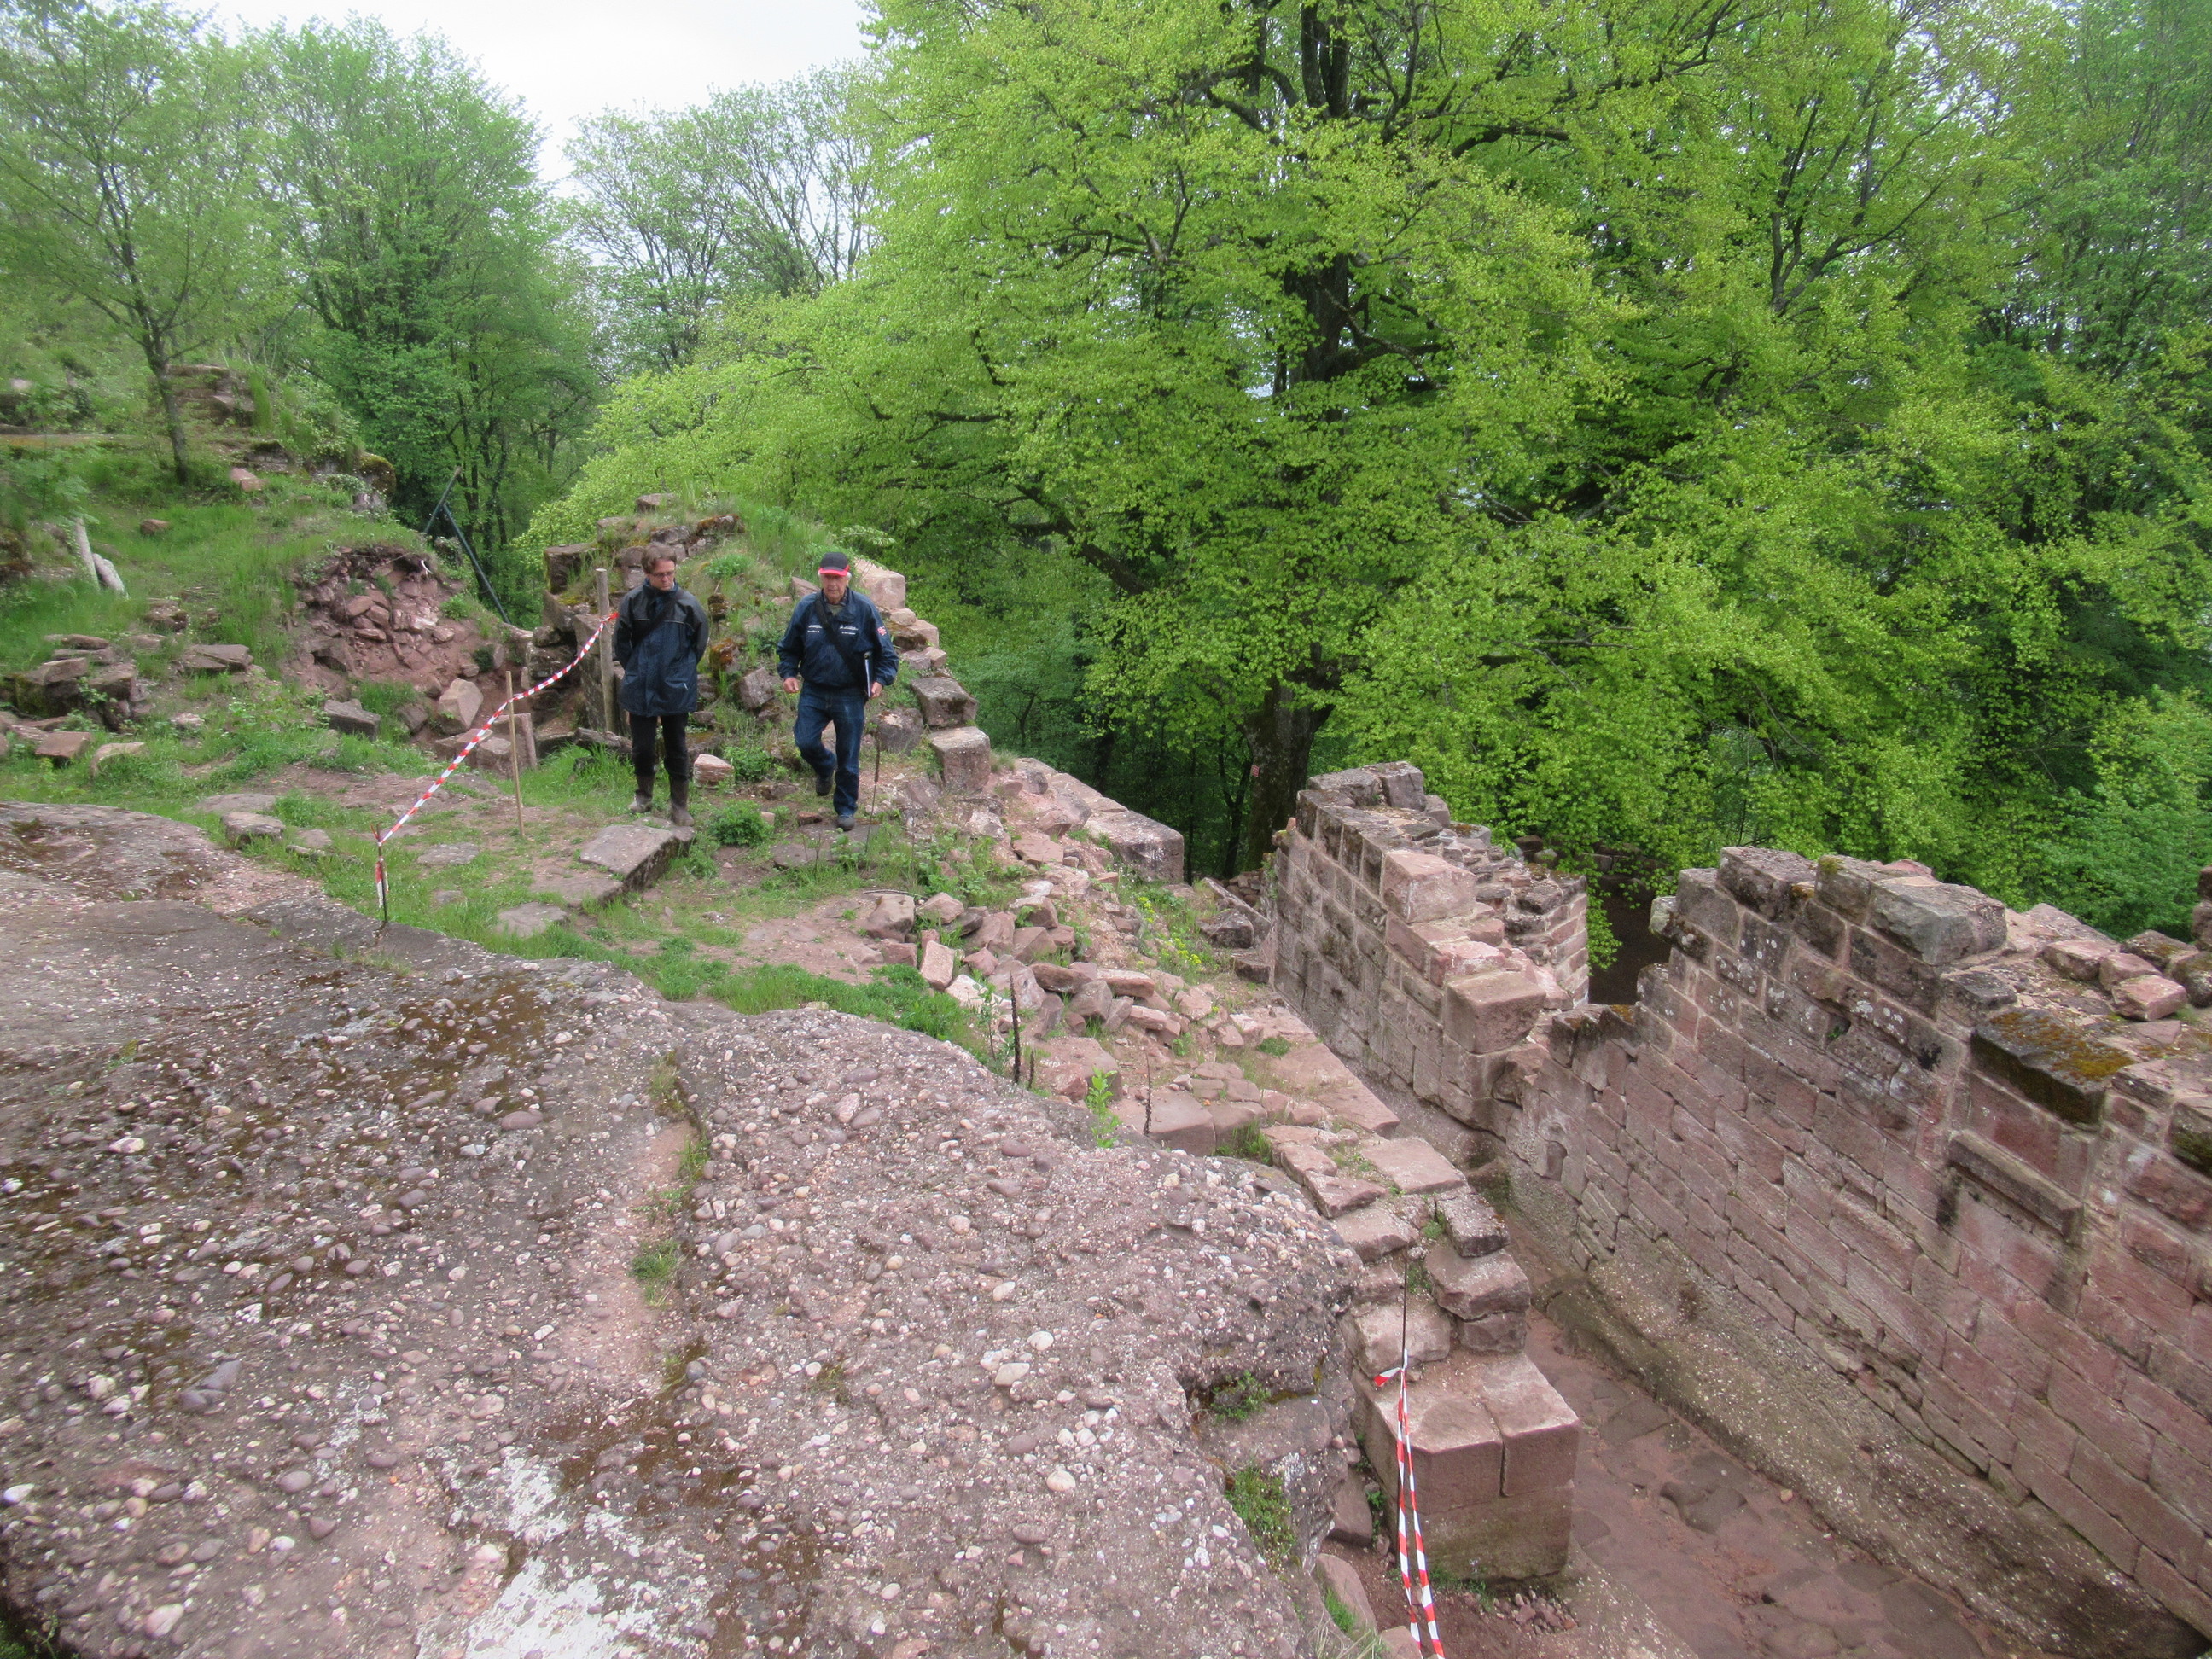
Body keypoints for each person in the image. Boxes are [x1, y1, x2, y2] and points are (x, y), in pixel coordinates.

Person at [777, 549, 899, 830]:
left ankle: (845, 808)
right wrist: (788, 673)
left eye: (838, 578)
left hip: (850, 693)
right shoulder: (806, 607)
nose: (832, 583)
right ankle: (824, 766)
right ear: (820, 578)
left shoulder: (864, 609)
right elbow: (788, 647)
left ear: (847, 579)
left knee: (849, 755)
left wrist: (881, 680)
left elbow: (887, 654)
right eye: (828, 578)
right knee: (805, 741)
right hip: (814, 689)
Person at [613, 551, 710, 826]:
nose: (666, 579)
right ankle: (643, 797)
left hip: (676, 687)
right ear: (647, 573)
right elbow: (621, 643)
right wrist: (637, 670)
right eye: (660, 575)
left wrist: (679, 672)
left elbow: (698, 646)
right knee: (642, 747)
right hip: (640, 685)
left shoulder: (689, 605)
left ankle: (679, 805)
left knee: (676, 747)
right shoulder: (633, 602)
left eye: (670, 573)